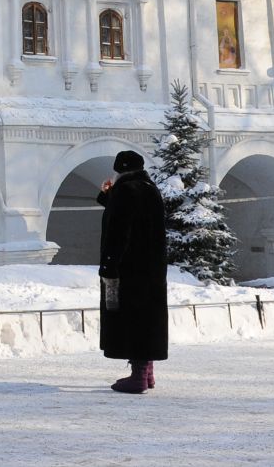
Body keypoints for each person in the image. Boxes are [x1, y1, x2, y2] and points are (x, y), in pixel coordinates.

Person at [96, 148, 168, 394]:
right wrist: (108, 196)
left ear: (120, 170)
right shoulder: (150, 188)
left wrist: (109, 265)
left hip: (130, 268)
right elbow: (135, 214)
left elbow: (120, 229)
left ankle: (137, 376)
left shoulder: (125, 191)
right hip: (152, 268)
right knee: (148, 317)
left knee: (132, 318)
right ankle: (147, 372)